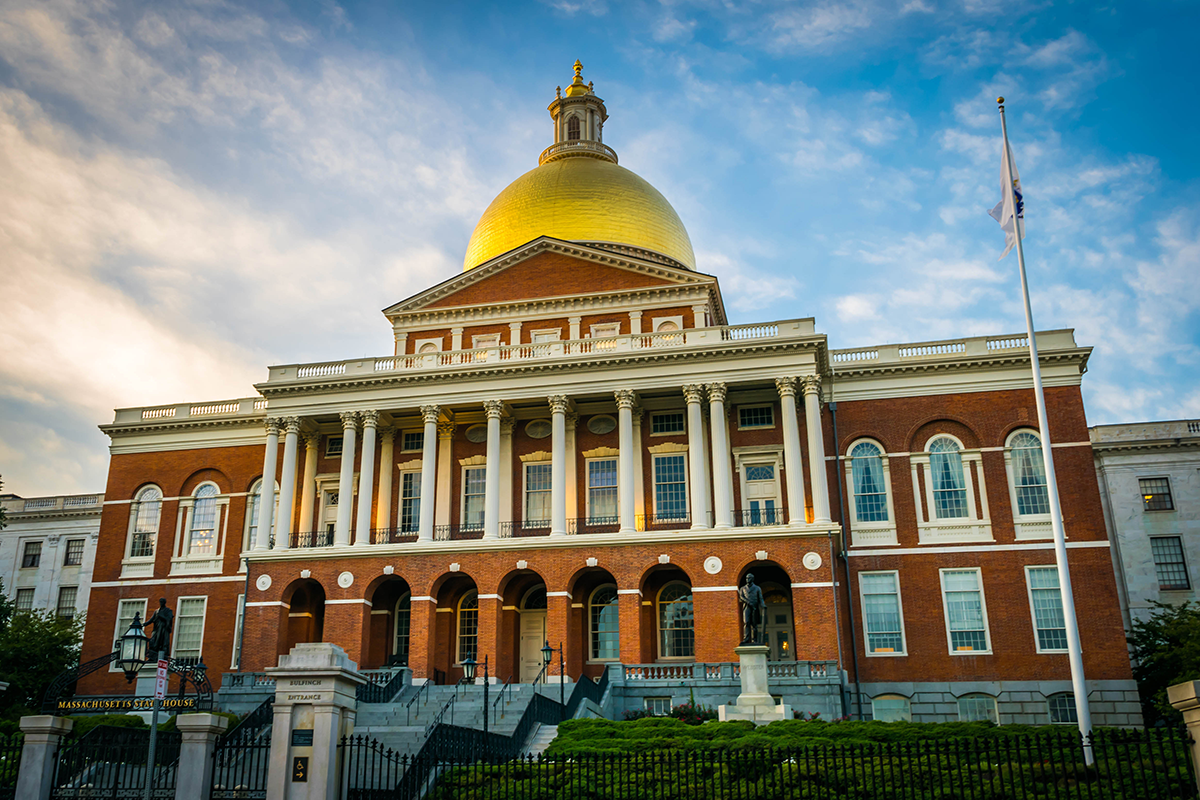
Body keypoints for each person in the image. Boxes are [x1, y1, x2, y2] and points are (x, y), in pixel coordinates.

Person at [738, 574, 767, 645]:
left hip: (755, 607)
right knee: (746, 622)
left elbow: (760, 598)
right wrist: (748, 602)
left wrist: (763, 605)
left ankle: (755, 640)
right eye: (746, 578)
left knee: (754, 625)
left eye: (749, 578)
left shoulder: (757, 588)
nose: (747, 579)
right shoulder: (743, 588)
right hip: (747, 607)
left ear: (752, 579)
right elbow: (741, 597)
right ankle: (746, 639)